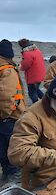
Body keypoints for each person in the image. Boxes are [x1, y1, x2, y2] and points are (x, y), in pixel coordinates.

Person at [0, 39, 26, 182]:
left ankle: (14, 176)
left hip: (9, 118)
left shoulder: (7, 71)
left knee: (10, 148)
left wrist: (3, 116)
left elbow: (6, 98)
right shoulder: (5, 68)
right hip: (6, 118)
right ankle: (7, 173)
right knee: (3, 149)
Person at [18, 38, 46, 104]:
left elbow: (26, 65)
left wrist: (21, 67)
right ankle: (46, 100)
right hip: (39, 75)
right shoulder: (37, 50)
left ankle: (36, 105)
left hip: (33, 77)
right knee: (36, 89)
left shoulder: (27, 53)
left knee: (32, 93)